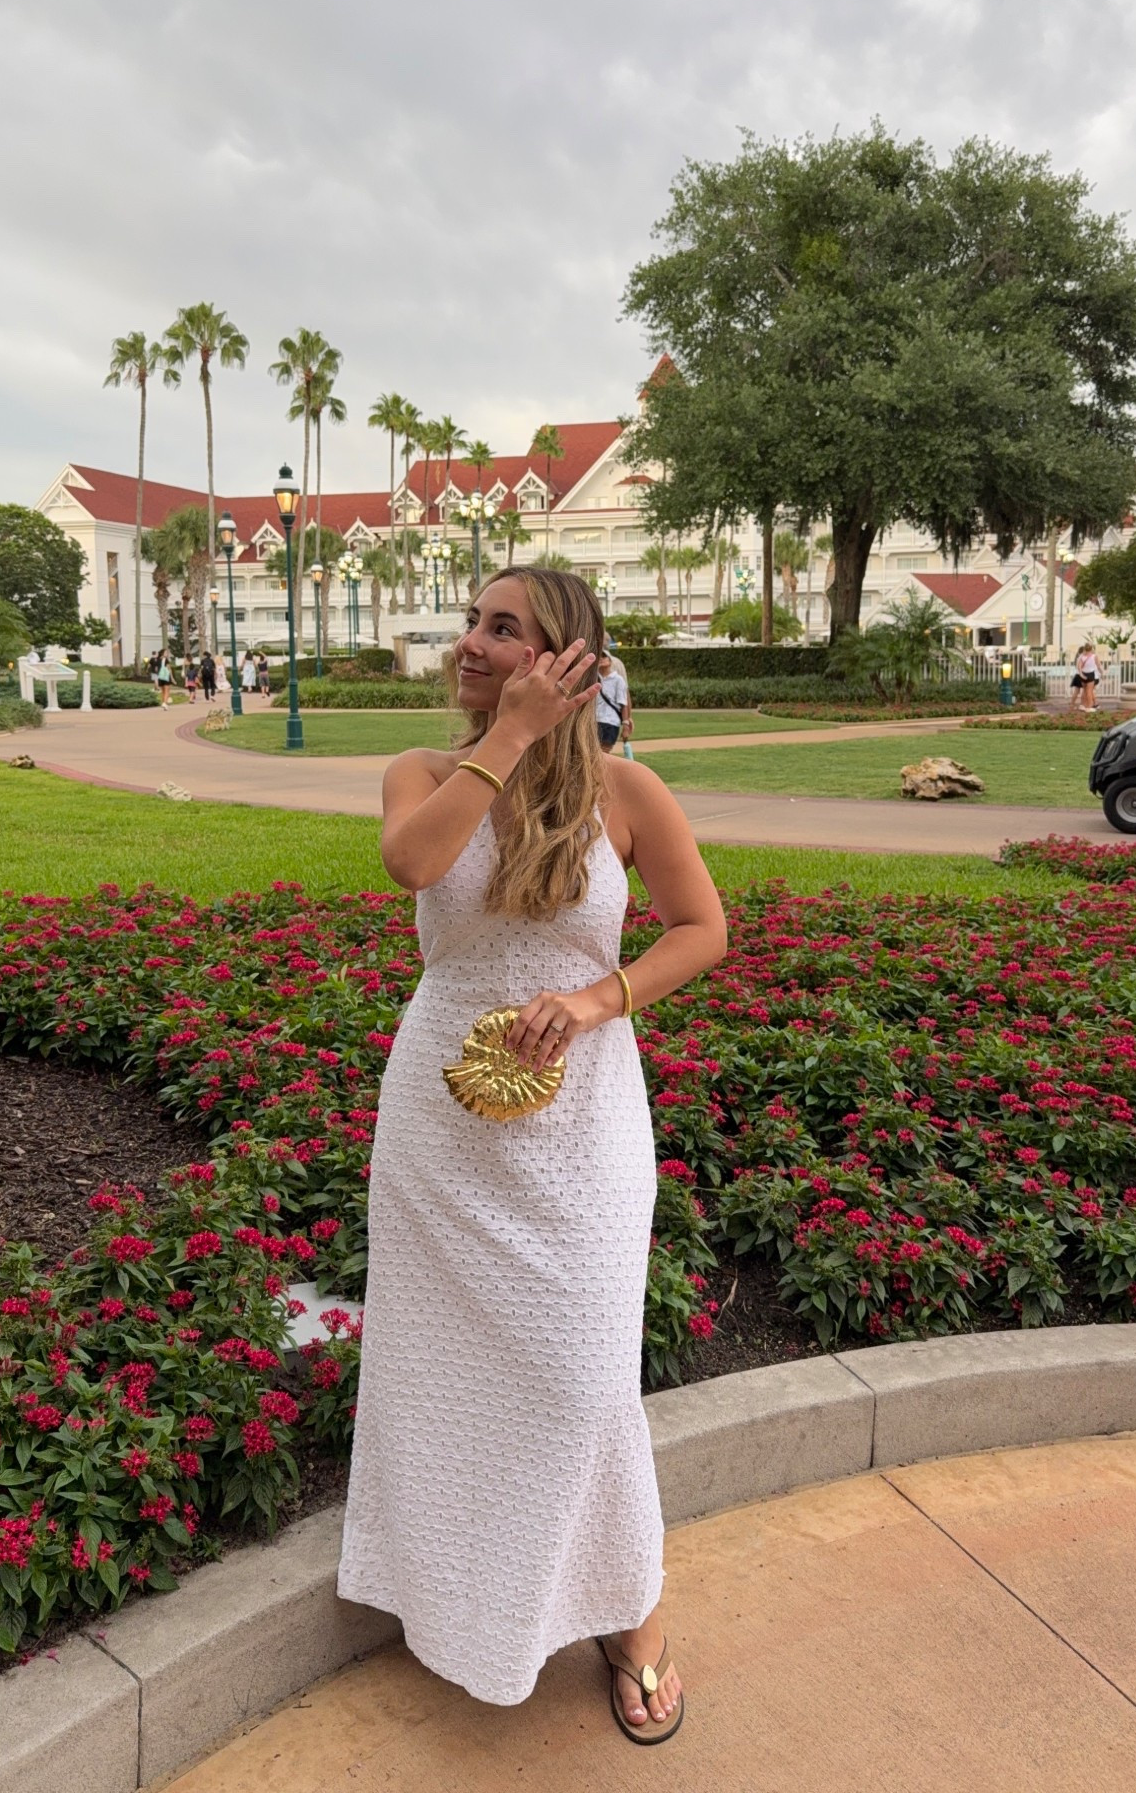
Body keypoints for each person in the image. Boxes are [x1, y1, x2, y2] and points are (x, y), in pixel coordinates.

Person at [338, 567, 728, 1745]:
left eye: (502, 628)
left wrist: (601, 997)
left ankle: (630, 1609)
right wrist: (507, 736)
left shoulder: (626, 791)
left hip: (586, 1127)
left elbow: (703, 927)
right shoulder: (424, 773)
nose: (471, 641)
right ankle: (459, 1596)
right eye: (473, 621)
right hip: (441, 1129)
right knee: (441, 1375)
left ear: (568, 658)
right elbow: (413, 865)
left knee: (584, 1377)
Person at [594, 652, 629, 753]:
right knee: (592, 752)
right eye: (599, 657)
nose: (601, 658)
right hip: (594, 720)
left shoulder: (618, 680)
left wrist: (626, 725)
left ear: (610, 661)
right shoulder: (593, 678)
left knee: (604, 752)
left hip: (610, 722)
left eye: (604, 656)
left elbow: (623, 704)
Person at [1068, 642, 1101, 712]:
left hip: (1080, 675)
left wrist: (1081, 673)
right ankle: (1089, 705)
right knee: (1088, 691)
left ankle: (1081, 705)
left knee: (1082, 691)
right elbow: (1098, 666)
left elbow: (1078, 667)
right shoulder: (1089, 656)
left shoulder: (1080, 657)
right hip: (1086, 675)